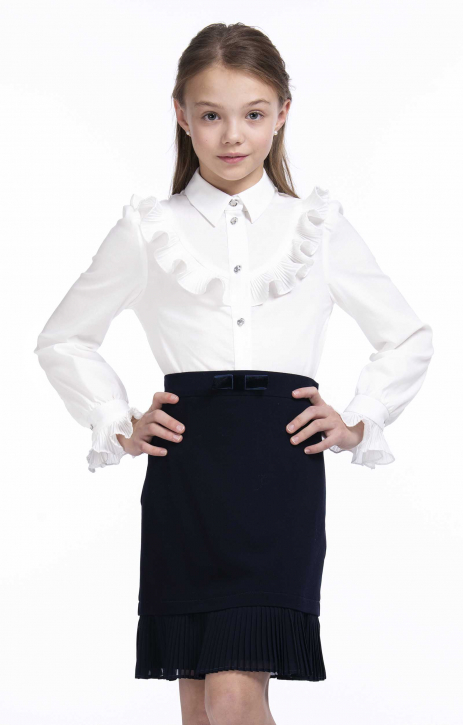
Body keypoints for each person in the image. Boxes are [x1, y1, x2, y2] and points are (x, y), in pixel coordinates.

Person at [33, 21, 434, 725]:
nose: (232, 136)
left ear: (282, 114)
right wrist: (116, 419)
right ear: (181, 115)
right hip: (186, 476)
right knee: (200, 705)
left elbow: (405, 336)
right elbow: (64, 338)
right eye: (211, 115)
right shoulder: (148, 228)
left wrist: (357, 418)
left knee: (231, 695)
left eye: (252, 114)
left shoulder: (316, 225)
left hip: (279, 474)